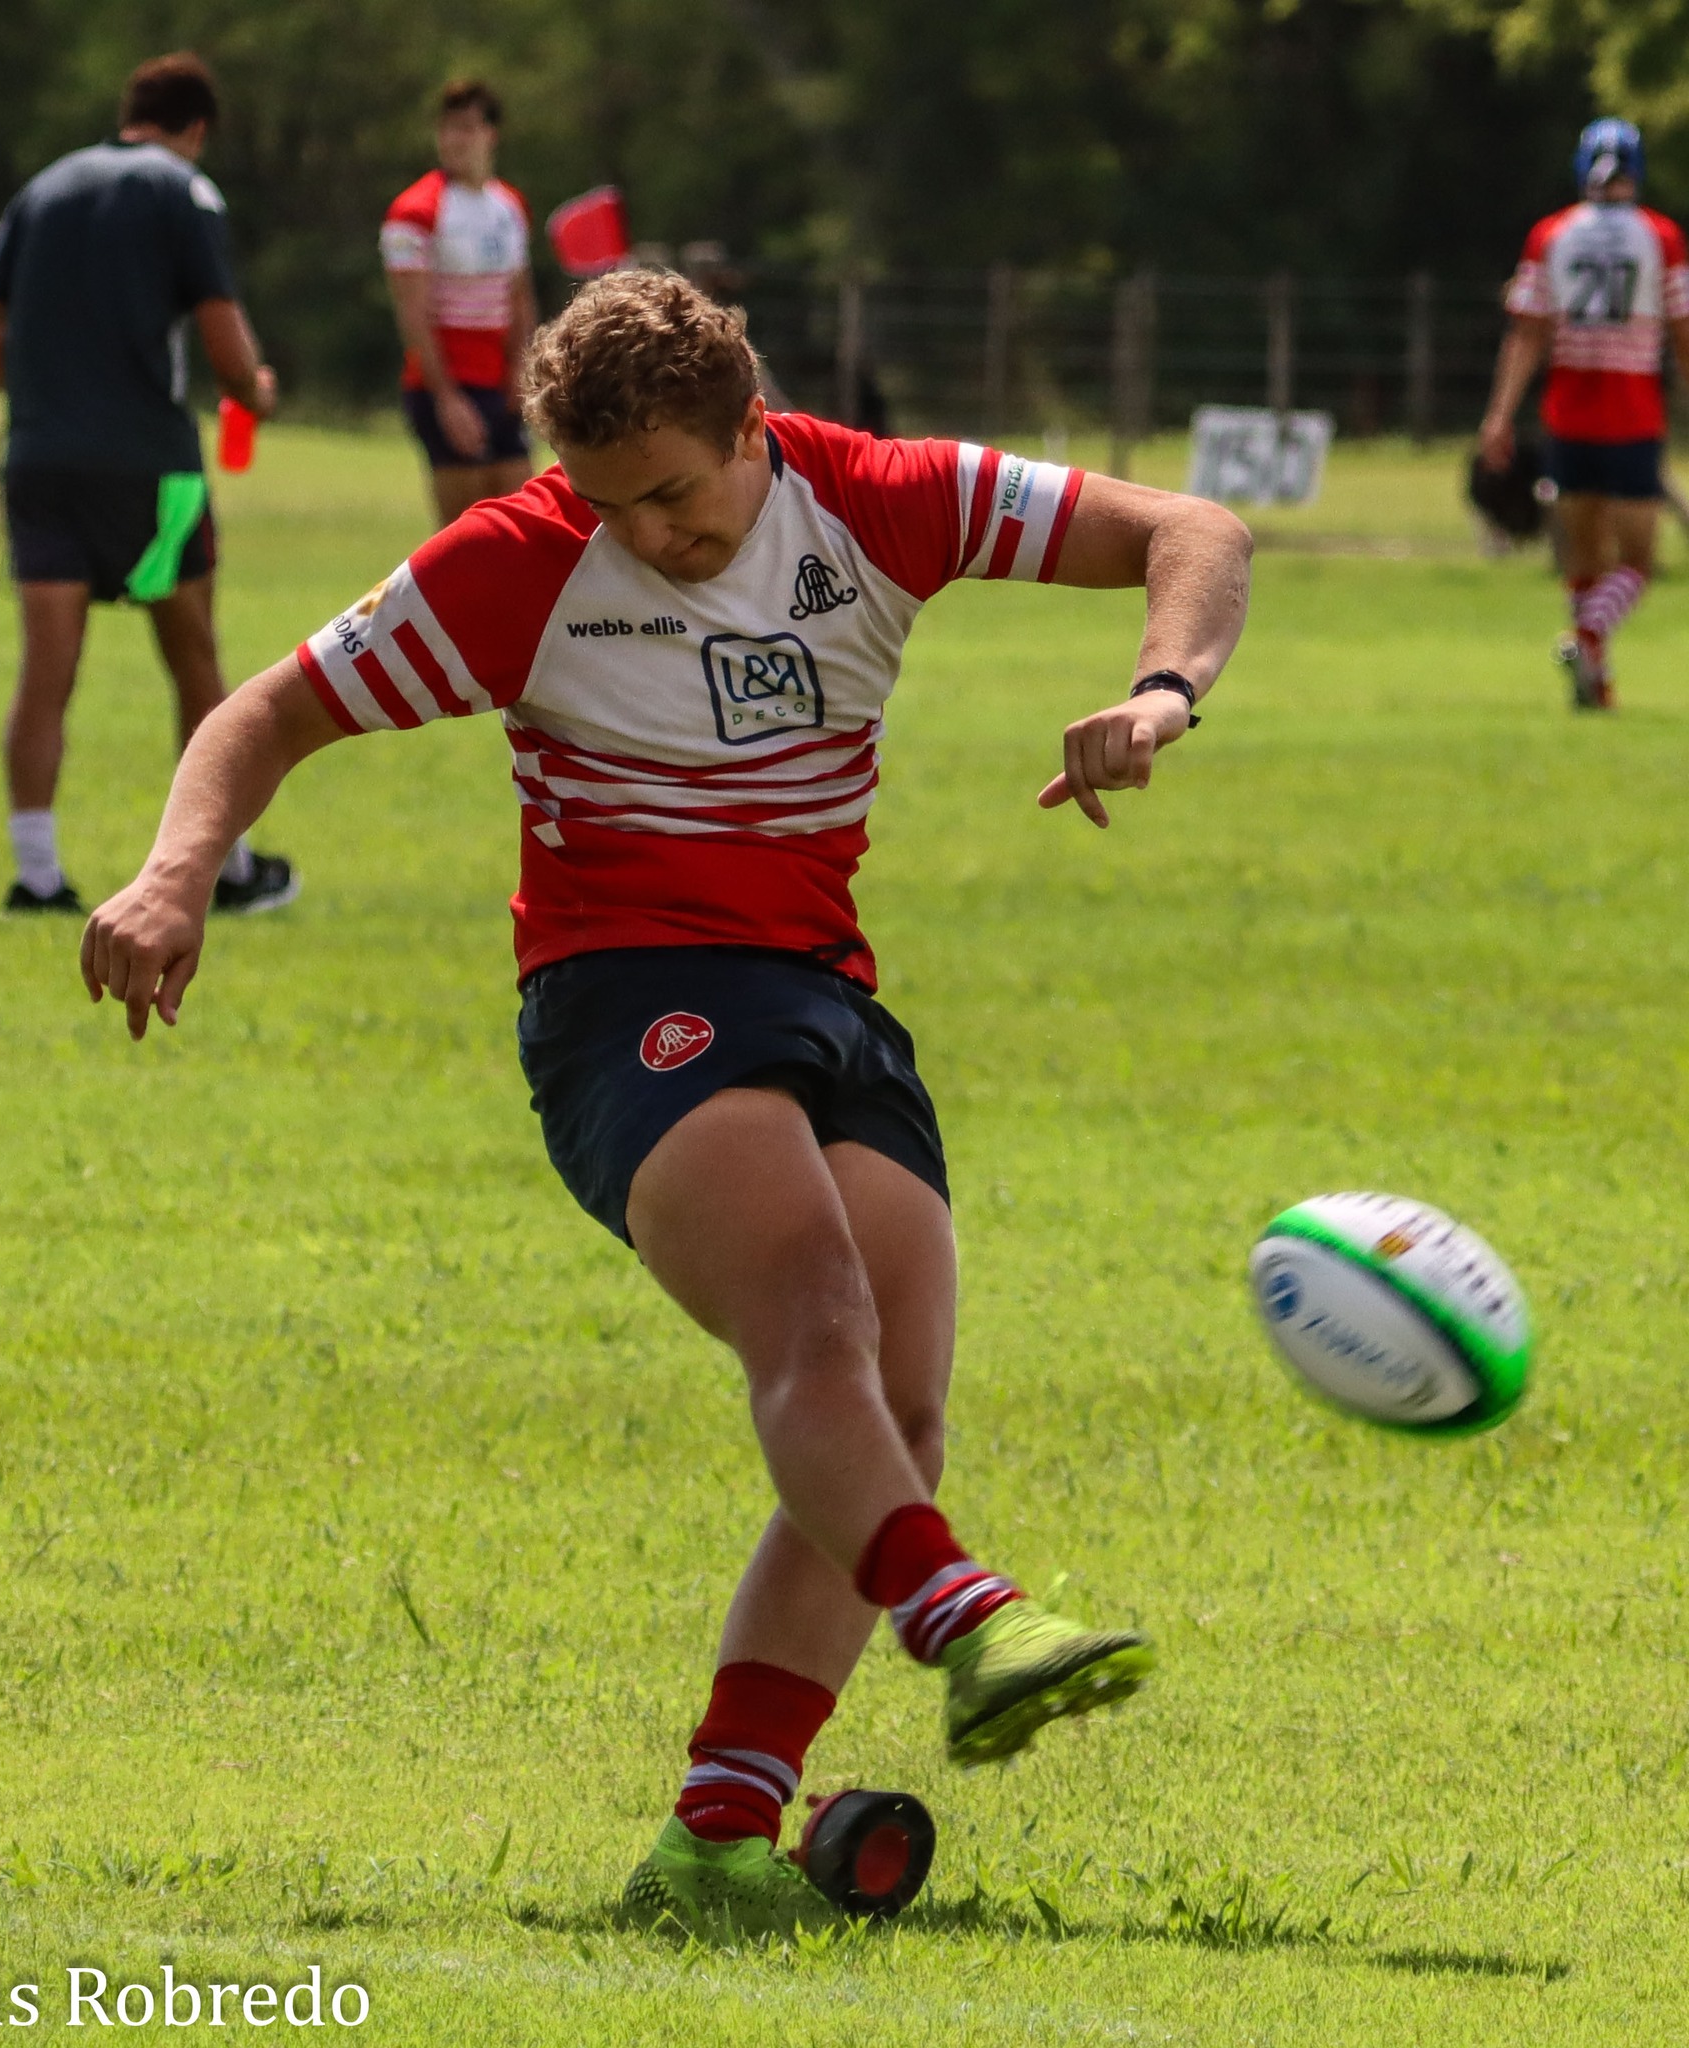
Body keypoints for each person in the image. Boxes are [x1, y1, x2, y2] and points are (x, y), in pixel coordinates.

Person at [79, 272, 1251, 1936]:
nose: (656, 534)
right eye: (617, 502)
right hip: (624, 996)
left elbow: (1196, 530)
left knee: (894, 1411)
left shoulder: (875, 496)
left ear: (752, 429)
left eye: (682, 494)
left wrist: (1159, 694)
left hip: (829, 994)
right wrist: (172, 873)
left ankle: (715, 1838)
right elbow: (268, 710)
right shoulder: (522, 560)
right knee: (816, 1319)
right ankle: (968, 1619)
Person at [0, 52, 298, 917]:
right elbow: (224, 343)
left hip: (43, 463)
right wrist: (255, 389)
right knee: (194, 662)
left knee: (46, 674)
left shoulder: (42, 190)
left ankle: (37, 877)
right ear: (197, 130)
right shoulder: (182, 192)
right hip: (151, 472)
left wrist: (40, 398)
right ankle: (227, 865)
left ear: (129, 113)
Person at [1478, 117, 1689, 710]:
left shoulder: (1551, 233)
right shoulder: (1661, 236)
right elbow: (1682, 329)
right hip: (1632, 416)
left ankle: (1595, 684)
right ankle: (1588, 640)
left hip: (1566, 418)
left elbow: (1526, 333)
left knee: (1583, 562)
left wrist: (1498, 415)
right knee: (1639, 563)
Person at [381, 80, 538, 528]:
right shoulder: (414, 211)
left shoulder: (510, 206)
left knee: (520, 525)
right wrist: (446, 397)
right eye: (447, 129)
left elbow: (520, 295)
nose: (455, 140)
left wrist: (523, 368)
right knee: (466, 534)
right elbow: (412, 312)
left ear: (491, 135)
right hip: (449, 384)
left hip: (501, 385)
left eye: (467, 128)